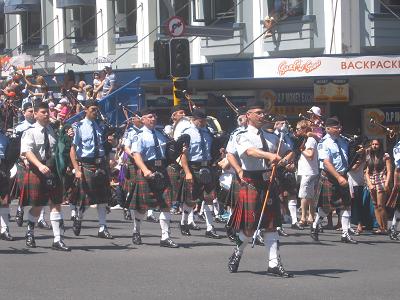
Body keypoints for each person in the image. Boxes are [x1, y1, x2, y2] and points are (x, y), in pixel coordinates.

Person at [227, 100, 293, 277]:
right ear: (248, 115)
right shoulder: (241, 135)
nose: (263, 115)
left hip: (269, 181)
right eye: (258, 113)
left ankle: (273, 263)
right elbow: (249, 152)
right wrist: (269, 155)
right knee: (249, 228)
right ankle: (238, 253)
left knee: (271, 225)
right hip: (251, 181)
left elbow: (288, 151)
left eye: (263, 113)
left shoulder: (272, 136)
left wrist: (285, 162)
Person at [20, 102, 70, 251]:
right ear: (35, 114)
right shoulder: (30, 131)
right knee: (38, 205)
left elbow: (58, 149)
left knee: (56, 203)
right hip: (38, 169)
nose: (46, 114)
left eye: (47, 112)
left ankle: (57, 239)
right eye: (43, 112)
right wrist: (40, 165)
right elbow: (27, 152)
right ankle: (30, 232)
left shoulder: (53, 130)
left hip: (53, 169)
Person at [128, 108, 178, 248]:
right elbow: (136, 155)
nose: (153, 119)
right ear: (143, 119)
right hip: (147, 169)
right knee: (142, 207)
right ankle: (136, 231)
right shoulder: (139, 135)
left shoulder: (161, 134)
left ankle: (165, 237)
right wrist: (145, 170)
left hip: (161, 170)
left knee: (166, 204)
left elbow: (169, 153)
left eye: (155, 116)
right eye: (150, 116)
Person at [69, 99, 113, 239]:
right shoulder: (78, 126)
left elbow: (106, 146)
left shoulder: (101, 125)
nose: (95, 112)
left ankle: (102, 227)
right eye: (93, 109)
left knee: (103, 198)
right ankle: (79, 218)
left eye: (97, 109)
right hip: (86, 164)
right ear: (86, 110)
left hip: (101, 164)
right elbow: (73, 149)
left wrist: (112, 141)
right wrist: (76, 168)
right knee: (85, 198)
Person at [311, 117, 357, 244]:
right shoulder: (324, 143)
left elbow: (349, 156)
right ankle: (315, 225)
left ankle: (345, 233)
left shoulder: (343, 141)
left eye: (340, 127)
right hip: (330, 177)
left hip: (343, 175)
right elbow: (326, 163)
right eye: (336, 127)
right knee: (327, 208)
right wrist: (338, 177)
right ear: (328, 129)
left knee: (346, 205)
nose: (339, 129)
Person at [178, 108, 221, 239]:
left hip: (207, 167)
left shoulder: (208, 132)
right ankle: (184, 222)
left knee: (209, 198)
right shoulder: (186, 133)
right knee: (191, 200)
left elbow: (214, 150)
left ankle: (210, 228)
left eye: (204, 121)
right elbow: (183, 154)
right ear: (193, 120)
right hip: (193, 167)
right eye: (200, 121)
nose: (202, 123)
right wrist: (187, 172)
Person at [365, 139, 392, 234]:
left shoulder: (385, 156)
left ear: (380, 145)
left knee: (381, 205)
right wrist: (369, 183)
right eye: (373, 144)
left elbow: (389, 171)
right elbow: (367, 172)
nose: (374, 146)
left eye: (376, 144)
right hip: (372, 181)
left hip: (381, 180)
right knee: (375, 205)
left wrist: (387, 183)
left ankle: (385, 227)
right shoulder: (369, 156)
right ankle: (380, 227)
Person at [296, 120, 319, 227]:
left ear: (305, 129)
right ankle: (311, 216)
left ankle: (303, 217)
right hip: (307, 170)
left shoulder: (310, 140)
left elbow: (310, 154)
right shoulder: (306, 139)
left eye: (298, 128)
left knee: (303, 194)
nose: (297, 130)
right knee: (309, 195)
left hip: (308, 171)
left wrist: (301, 150)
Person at [0, 130, 14, 241]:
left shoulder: (5, 138)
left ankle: (4, 229)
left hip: (2, 168)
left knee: (4, 200)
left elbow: (10, 155)